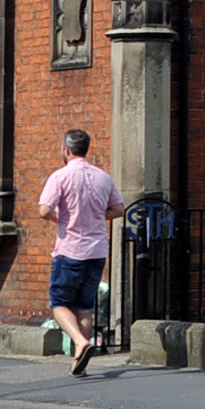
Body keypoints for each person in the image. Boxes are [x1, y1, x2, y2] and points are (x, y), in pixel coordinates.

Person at [38, 128, 122, 374]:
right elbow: (119, 210)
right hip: (97, 251)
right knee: (84, 306)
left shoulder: (60, 176)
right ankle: (79, 363)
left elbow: (43, 210)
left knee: (59, 303)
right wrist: (96, 216)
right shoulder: (103, 177)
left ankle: (80, 341)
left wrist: (60, 218)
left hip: (70, 250)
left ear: (66, 150)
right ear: (86, 149)